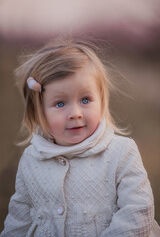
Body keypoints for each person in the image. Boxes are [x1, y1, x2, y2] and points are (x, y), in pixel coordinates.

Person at [1, 37, 160, 237]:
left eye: (85, 99)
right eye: (60, 104)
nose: (75, 113)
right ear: (38, 112)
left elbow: (138, 212)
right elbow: (18, 221)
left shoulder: (121, 152)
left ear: (102, 102)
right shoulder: (31, 159)